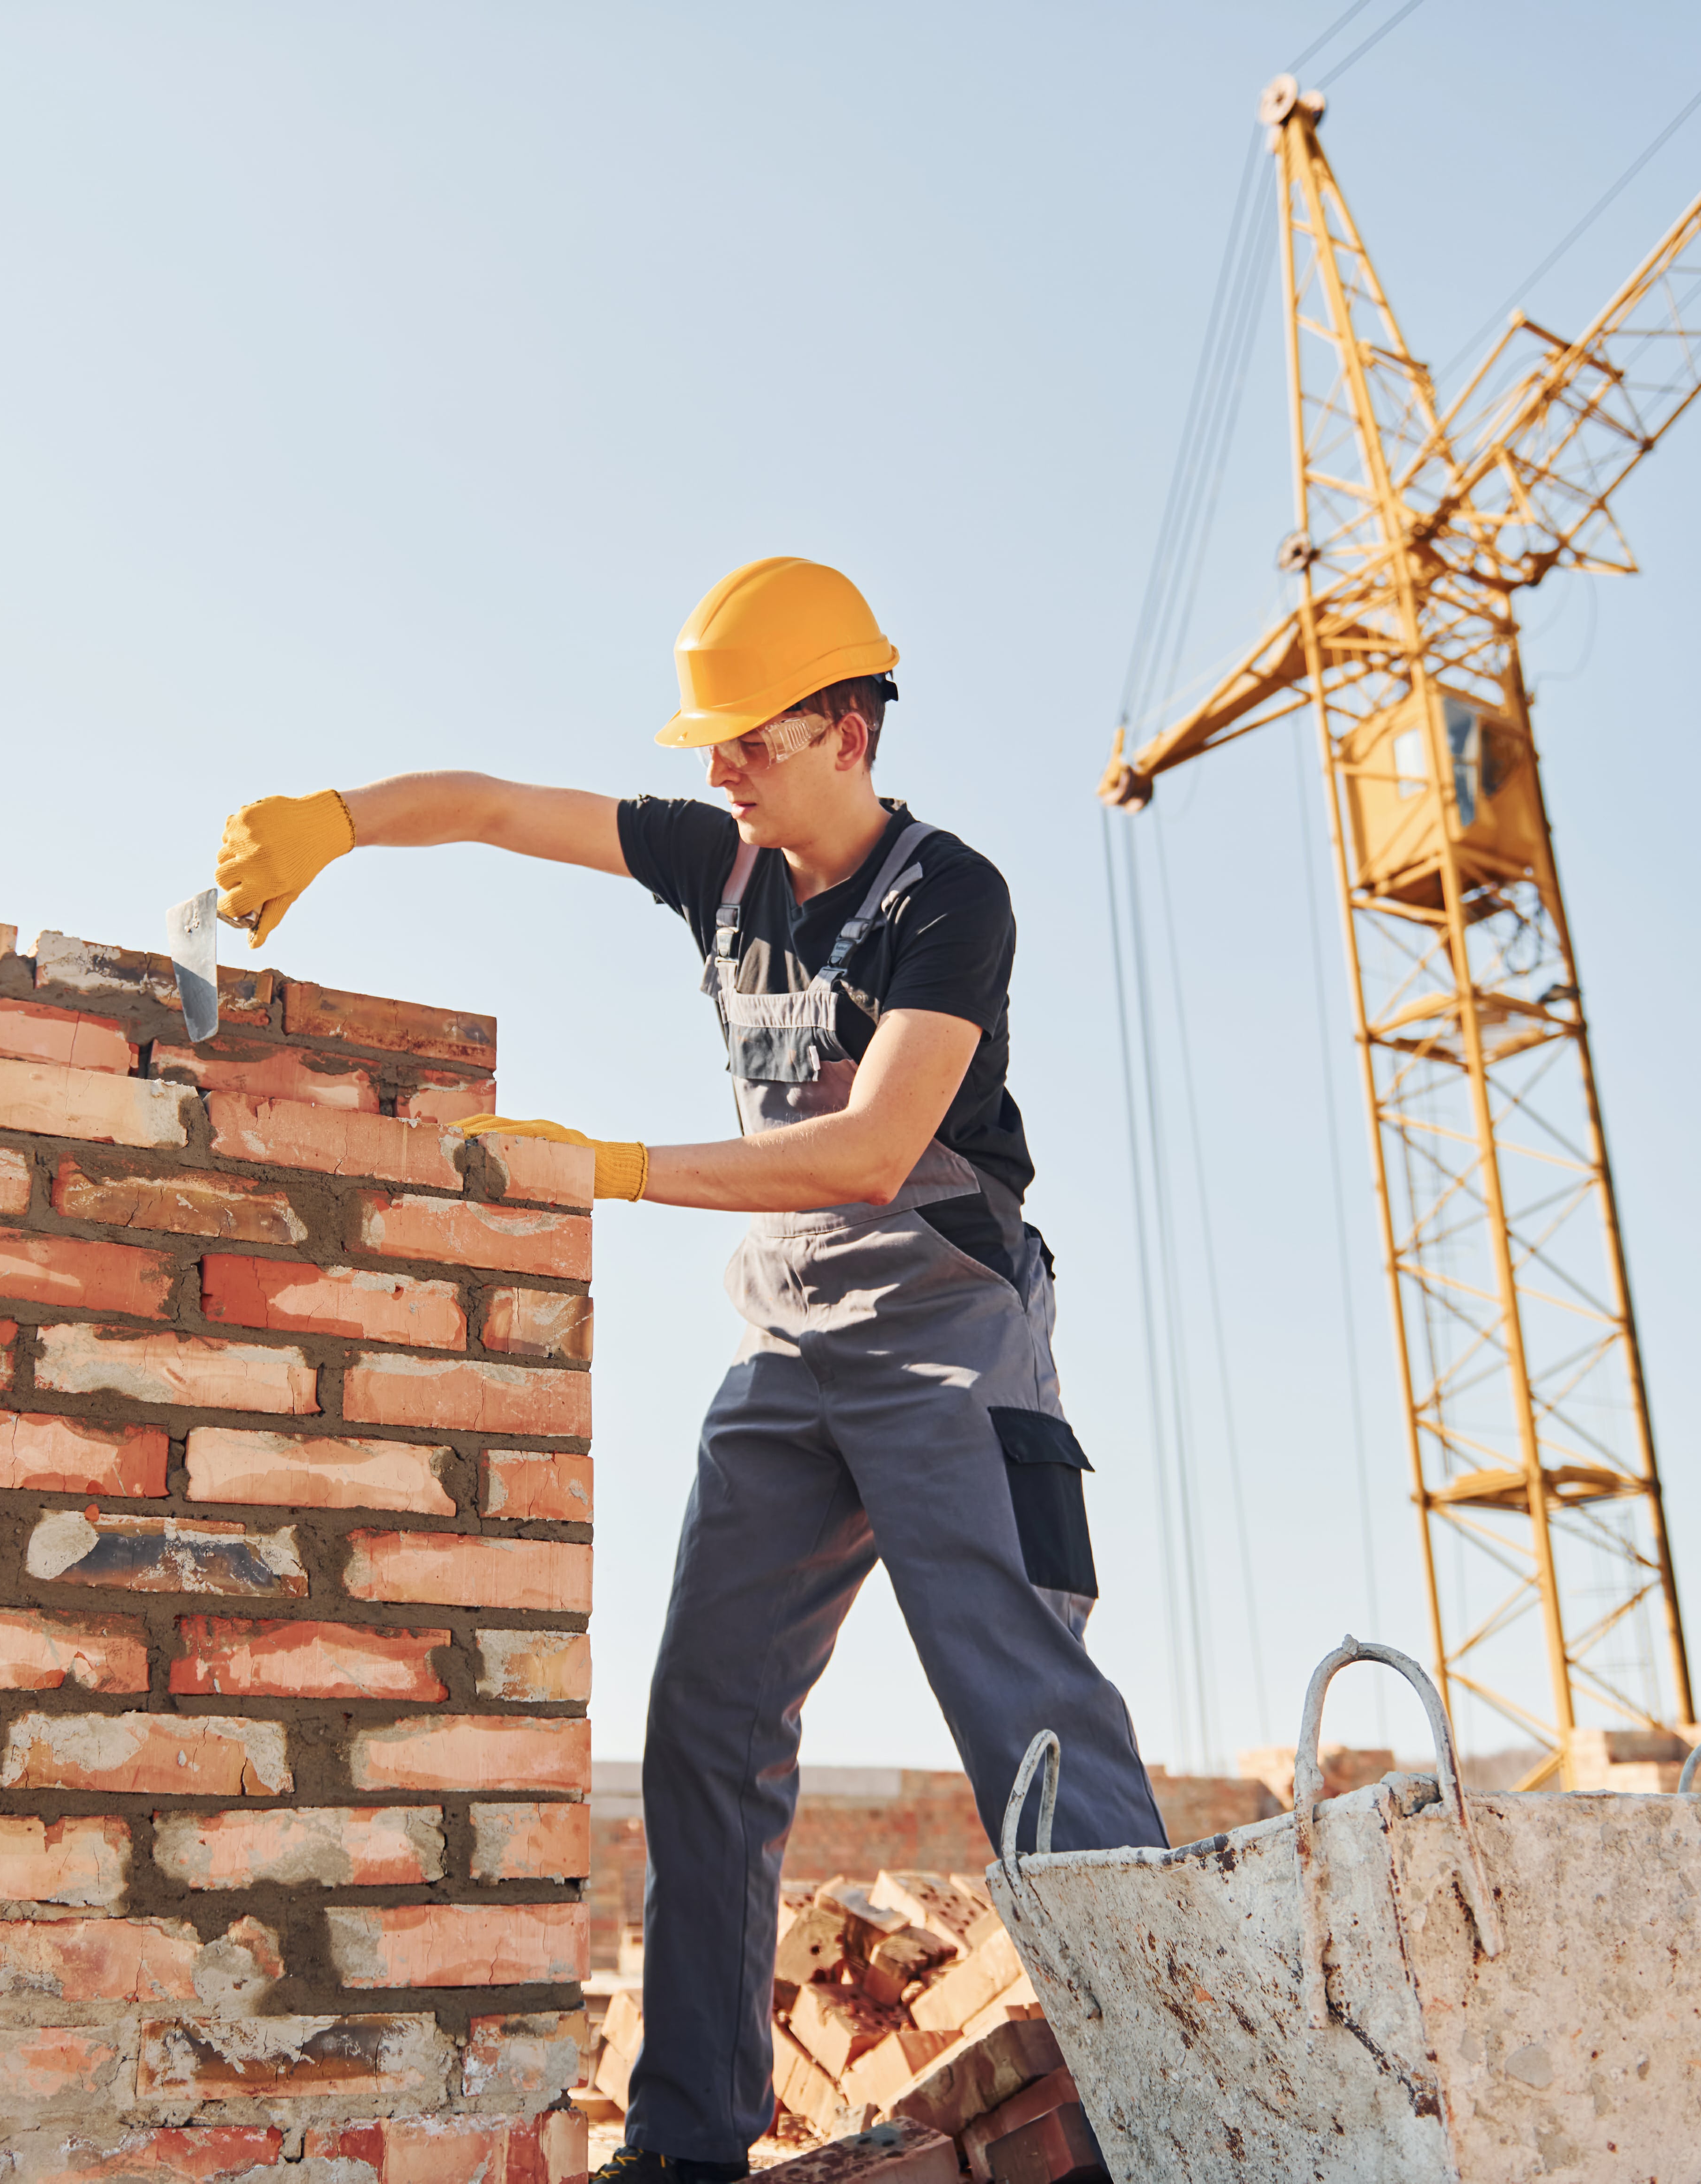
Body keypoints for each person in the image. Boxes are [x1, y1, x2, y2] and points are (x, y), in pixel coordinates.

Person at [214, 556, 1165, 2182]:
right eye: (712, 741)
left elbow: (872, 1150)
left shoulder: (953, 895)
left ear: (849, 727)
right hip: (787, 1342)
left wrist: (619, 1170)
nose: (717, 768)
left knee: (1029, 1714)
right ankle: (684, 2148)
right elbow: (511, 809)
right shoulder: (715, 865)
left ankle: (1186, 2090)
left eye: (750, 740)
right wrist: (340, 815)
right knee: (706, 1729)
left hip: (948, 1338)